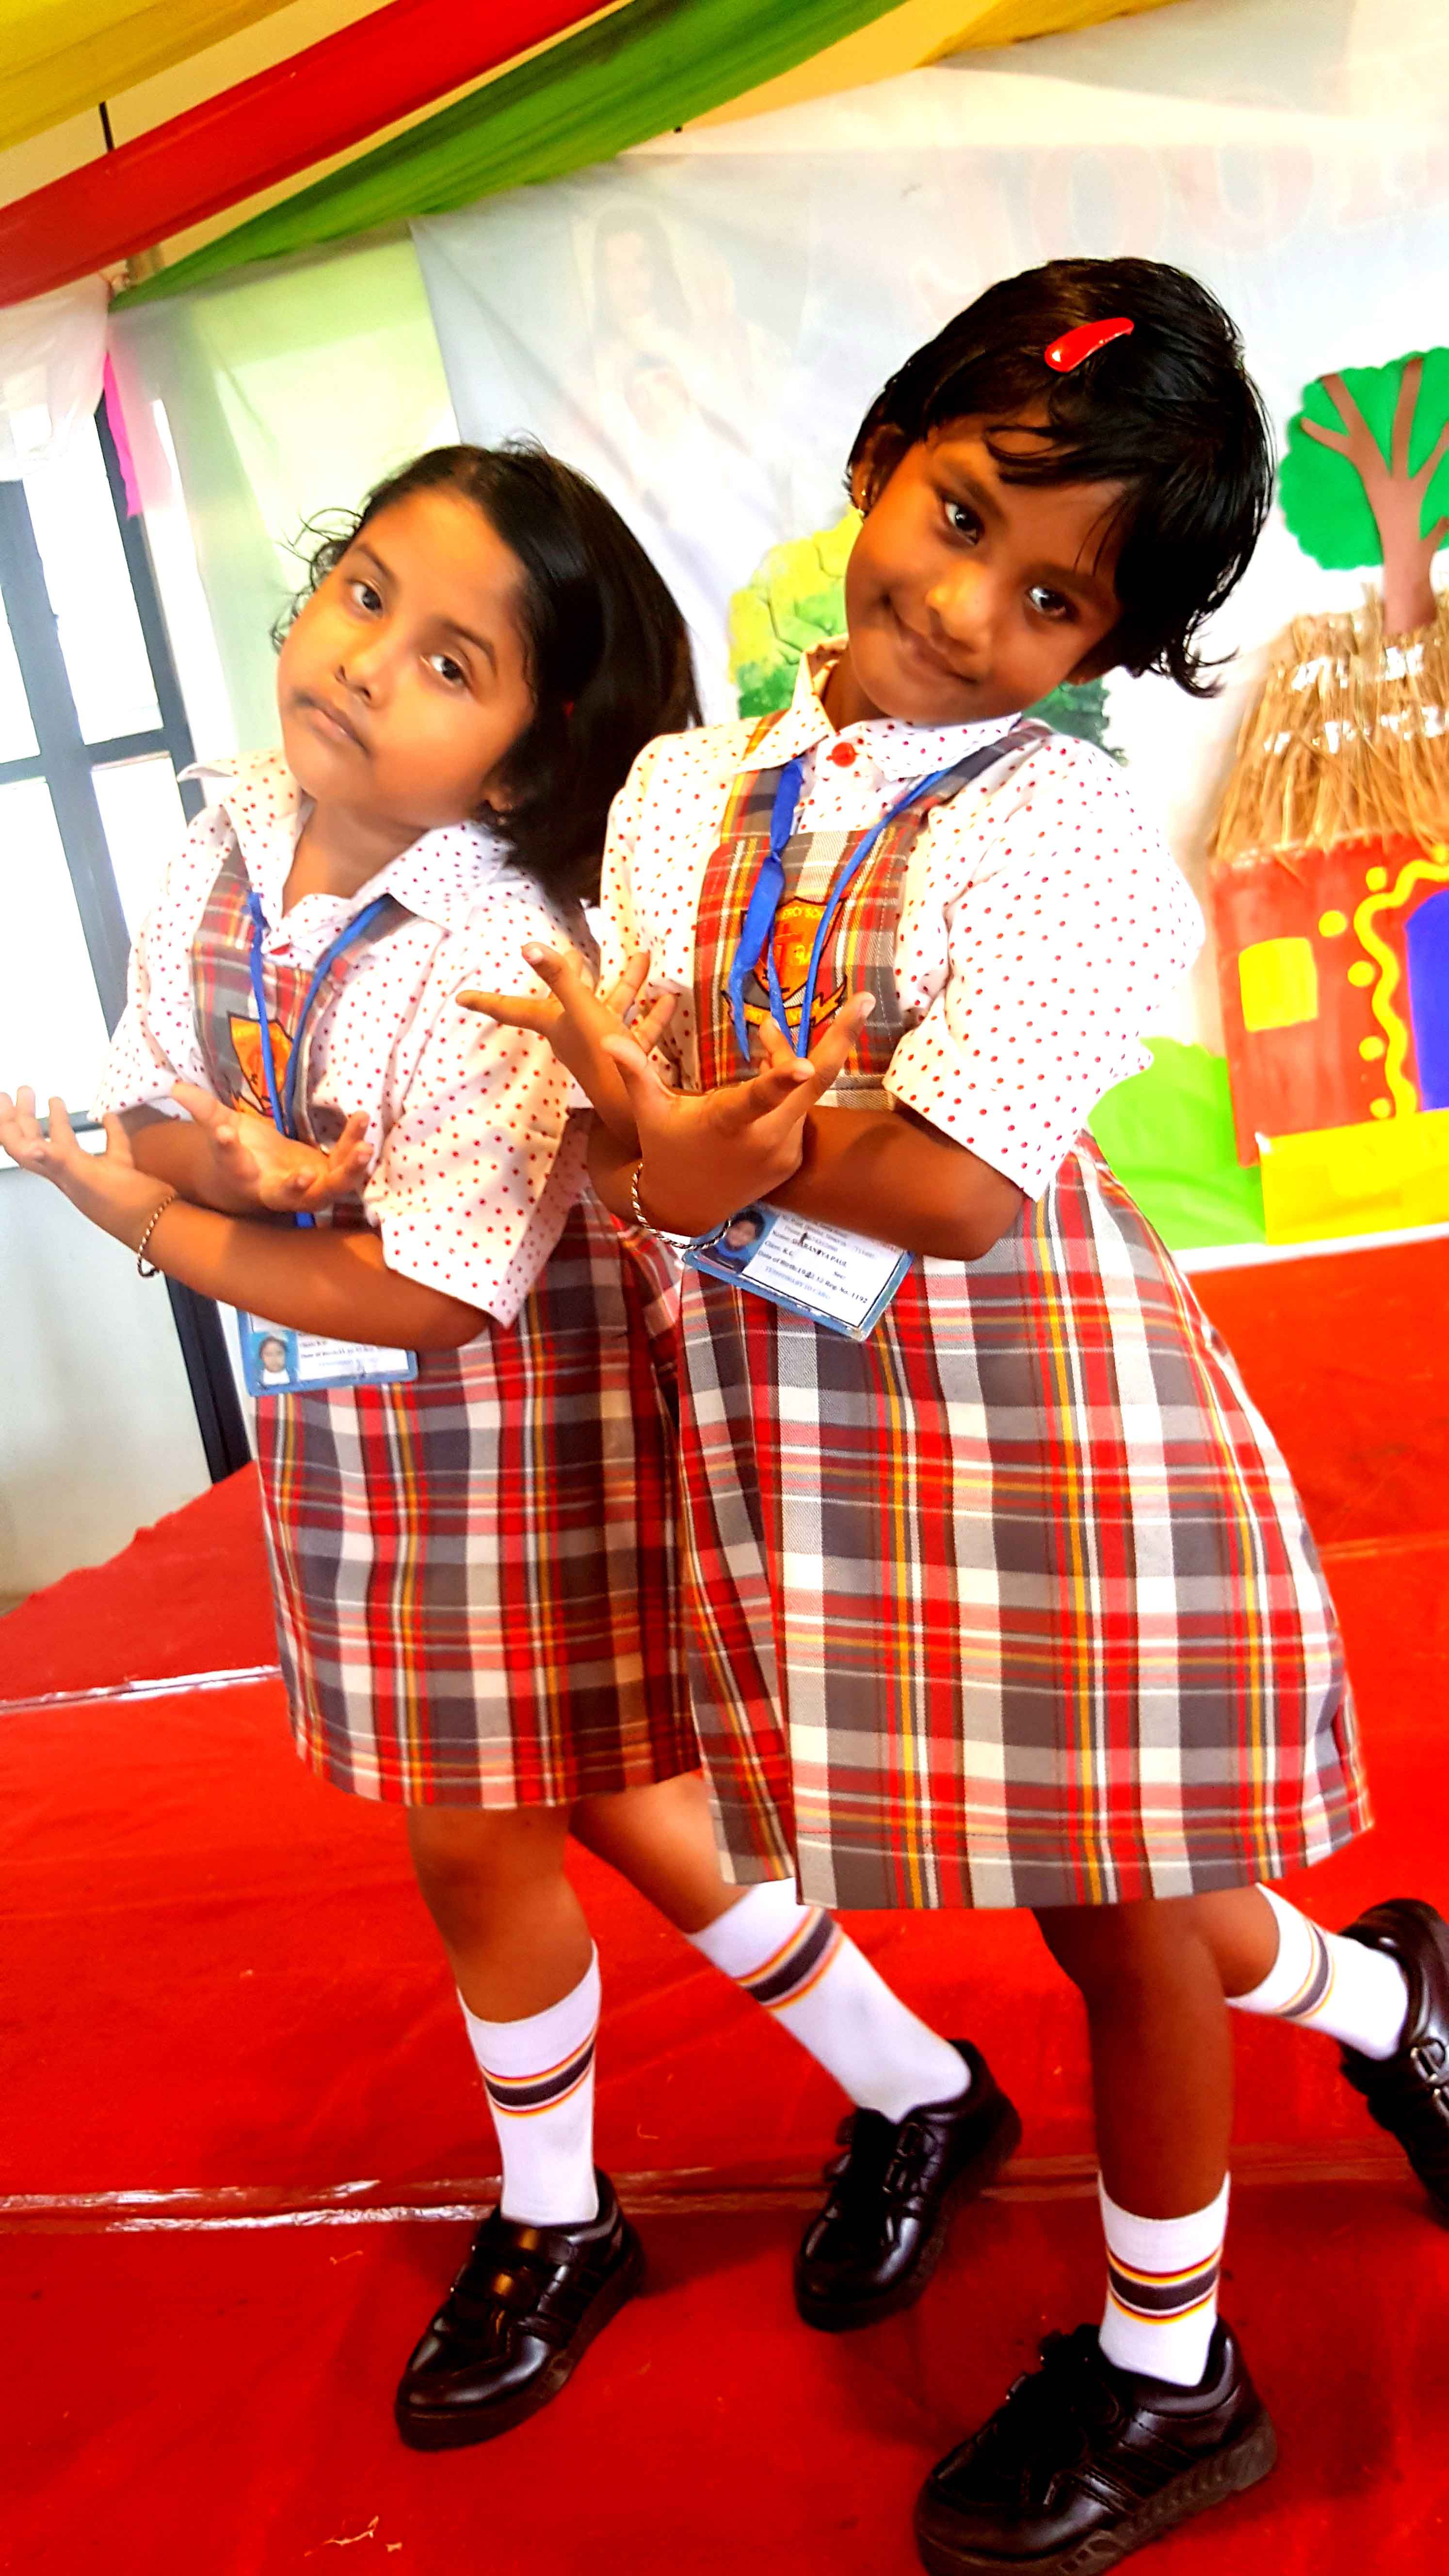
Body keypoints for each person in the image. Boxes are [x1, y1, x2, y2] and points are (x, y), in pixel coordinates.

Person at [479, 265, 1449, 2568]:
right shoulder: (684, 792)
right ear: (878, 463)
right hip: (814, 1439)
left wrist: (706, 1145)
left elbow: (960, 1188)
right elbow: (620, 1096)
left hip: (1048, 1437)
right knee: (1097, 1878)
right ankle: (1394, 1997)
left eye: (1052, 598)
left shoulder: (1063, 835)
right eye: (960, 514)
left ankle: (1171, 2366)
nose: (967, 602)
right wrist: (626, 1134)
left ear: (1109, 648)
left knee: (1119, 1916)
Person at [0, 440, 995, 2455]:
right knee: (622, 1799)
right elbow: (161, 1091)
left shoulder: (489, 946)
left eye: (453, 662)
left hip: (507, 1424)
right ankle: (920, 2085)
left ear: (532, 756)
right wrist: (232, 1163)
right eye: (365, 592)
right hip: (339, 1429)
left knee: (476, 1829)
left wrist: (165, 1219)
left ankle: (563, 2214)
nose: (369, 661)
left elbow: (440, 1297)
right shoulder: (227, 826)